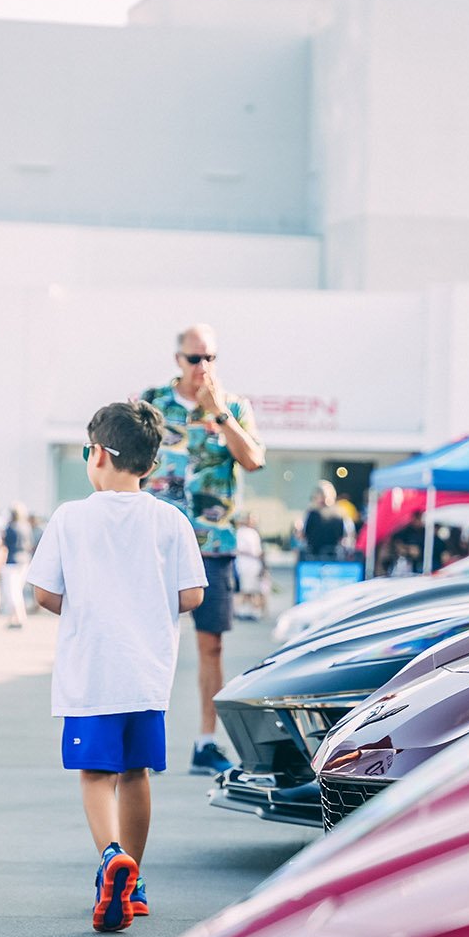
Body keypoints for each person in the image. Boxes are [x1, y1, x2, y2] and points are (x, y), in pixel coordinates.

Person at [27, 401, 206, 932]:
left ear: (99, 454)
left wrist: (87, 605)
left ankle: (110, 858)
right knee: (135, 773)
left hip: (92, 672)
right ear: (149, 465)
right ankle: (137, 880)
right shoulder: (170, 520)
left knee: (95, 774)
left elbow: (44, 592)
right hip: (148, 673)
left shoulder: (71, 517)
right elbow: (192, 595)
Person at [141, 324, 264, 776]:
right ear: (178, 360)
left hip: (213, 544)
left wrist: (221, 416)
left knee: (211, 646)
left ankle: (205, 742)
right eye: (195, 359)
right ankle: (141, 735)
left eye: (210, 358)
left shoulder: (233, 406)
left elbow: (253, 460)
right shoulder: (153, 402)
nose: (203, 367)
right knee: (146, 640)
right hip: (155, 544)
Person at [299, 481, 351, 561]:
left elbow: (347, 536)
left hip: (333, 557)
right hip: (314, 557)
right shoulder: (311, 514)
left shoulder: (340, 515)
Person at [0, 502, 32, 629]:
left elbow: (4, 545)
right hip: (24, 560)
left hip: (12, 561)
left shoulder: (10, 528)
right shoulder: (26, 527)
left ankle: (18, 617)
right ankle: (17, 617)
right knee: (18, 590)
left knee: (12, 592)